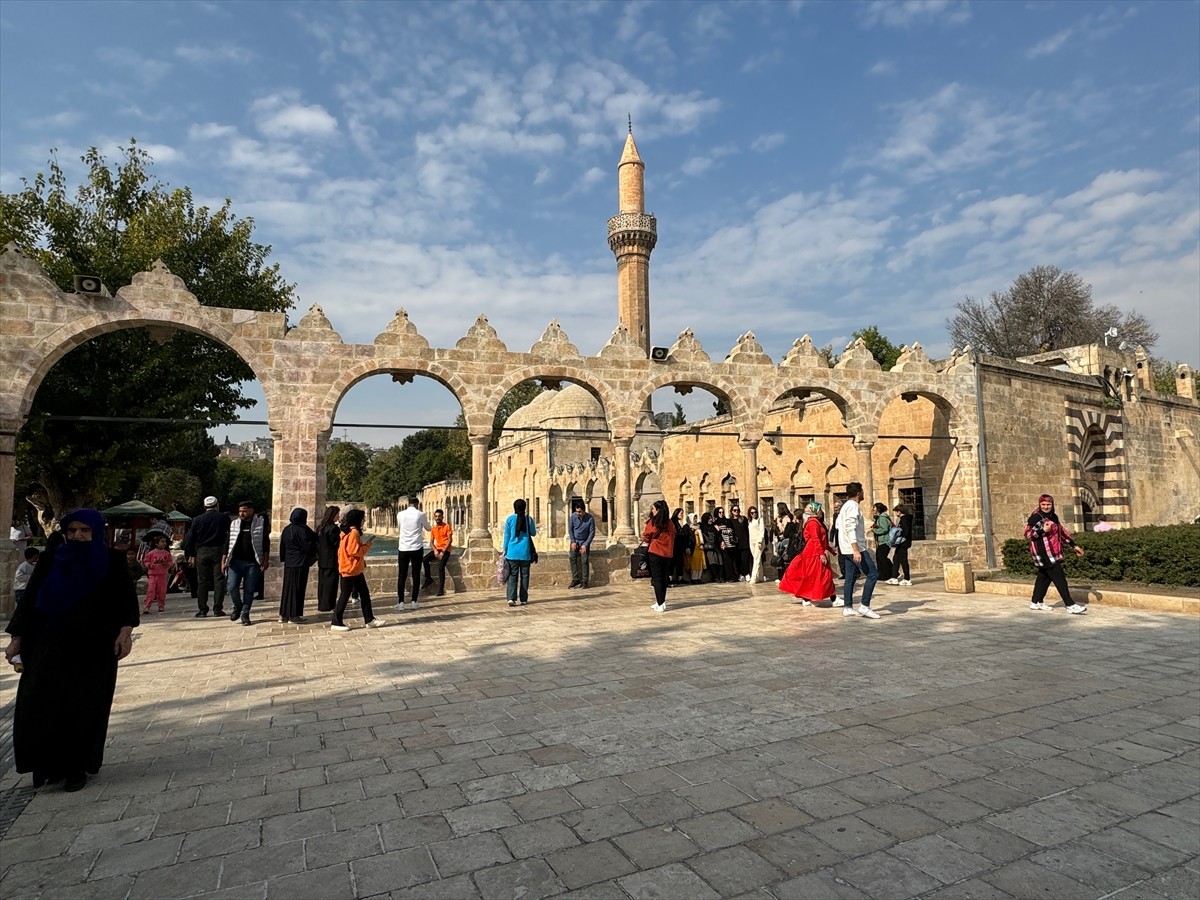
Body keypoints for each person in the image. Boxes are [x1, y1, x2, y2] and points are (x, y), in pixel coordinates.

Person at [4, 509, 138, 792]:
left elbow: (126, 600)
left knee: (85, 705)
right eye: (72, 531)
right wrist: (17, 637)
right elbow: (30, 599)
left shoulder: (111, 560)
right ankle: (47, 766)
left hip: (94, 647)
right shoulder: (52, 559)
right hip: (47, 643)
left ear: (95, 532)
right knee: (41, 703)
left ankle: (76, 766)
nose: (77, 536)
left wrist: (125, 633)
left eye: (84, 531)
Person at [1025, 494, 1087, 613]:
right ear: (1039, 504)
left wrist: (1073, 545)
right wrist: (1043, 530)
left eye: (1048, 504)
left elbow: (1061, 533)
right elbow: (1028, 535)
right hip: (1043, 552)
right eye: (1043, 504)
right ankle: (1070, 605)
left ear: (1052, 505)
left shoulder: (1053, 517)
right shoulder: (1036, 517)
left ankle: (1036, 602)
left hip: (1053, 552)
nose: (1046, 507)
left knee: (1044, 577)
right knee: (1059, 577)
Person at [331, 509, 385, 631]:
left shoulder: (346, 531)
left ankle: (369, 619)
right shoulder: (354, 532)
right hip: (351, 568)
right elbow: (354, 551)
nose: (364, 521)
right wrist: (368, 545)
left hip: (352, 568)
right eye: (363, 519)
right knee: (344, 596)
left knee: (364, 594)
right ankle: (336, 621)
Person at [779, 501, 836, 605]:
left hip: (815, 551)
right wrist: (821, 554)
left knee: (822, 575)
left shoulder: (815, 521)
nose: (820, 512)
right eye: (819, 510)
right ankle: (811, 597)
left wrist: (831, 550)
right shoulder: (813, 522)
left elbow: (821, 540)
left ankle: (817, 597)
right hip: (813, 553)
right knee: (818, 576)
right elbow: (815, 539)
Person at [222, 500, 269, 626]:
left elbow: (265, 542)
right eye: (240, 511)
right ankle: (238, 606)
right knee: (231, 586)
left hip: (252, 562)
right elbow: (228, 542)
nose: (242, 513)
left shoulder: (260, 523)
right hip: (235, 562)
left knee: (249, 590)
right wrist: (224, 559)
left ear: (251, 510)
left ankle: (245, 613)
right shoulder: (235, 524)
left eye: (244, 511)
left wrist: (265, 559)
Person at [838, 482, 880, 619]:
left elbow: (839, 525)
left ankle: (848, 607)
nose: (863, 494)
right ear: (858, 493)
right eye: (862, 491)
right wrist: (856, 549)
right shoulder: (853, 507)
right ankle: (865, 605)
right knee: (872, 574)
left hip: (846, 549)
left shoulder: (845, 506)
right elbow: (849, 527)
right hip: (855, 549)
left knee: (850, 578)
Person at [183, 496, 230, 618]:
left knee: (202, 581)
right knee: (219, 580)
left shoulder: (197, 520)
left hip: (202, 551)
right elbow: (229, 536)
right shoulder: (224, 518)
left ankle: (202, 609)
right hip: (219, 550)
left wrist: (191, 554)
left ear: (204, 506)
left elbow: (191, 538)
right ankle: (217, 609)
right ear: (217, 505)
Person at [279, 507, 317, 624]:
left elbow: (282, 546)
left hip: (289, 563)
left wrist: (283, 558)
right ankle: (294, 615)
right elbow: (308, 545)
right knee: (298, 589)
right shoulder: (302, 530)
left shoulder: (286, 529)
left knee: (287, 589)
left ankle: (284, 614)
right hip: (300, 562)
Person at [396, 497, 431, 610]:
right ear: (417, 504)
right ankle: (414, 601)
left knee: (402, 575)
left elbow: (400, 527)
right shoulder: (420, 514)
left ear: (408, 504)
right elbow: (428, 528)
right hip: (416, 547)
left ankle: (401, 602)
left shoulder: (400, 514)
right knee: (416, 575)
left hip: (403, 547)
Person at [501, 499, 537, 607]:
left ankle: (511, 598)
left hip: (512, 553)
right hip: (525, 553)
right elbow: (533, 533)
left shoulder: (510, 519)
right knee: (525, 576)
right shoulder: (528, 519)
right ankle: (523, 599)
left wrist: (504, 549)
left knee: (512, 575)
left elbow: (507, 536)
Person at [643, 500, 676, 613]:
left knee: (657, 578)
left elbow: (647, 536)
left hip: (656, 551)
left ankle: (661, 604)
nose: (652, 511)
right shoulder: (670, 523)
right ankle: (660, 601)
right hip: (667, 553)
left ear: (658, 510)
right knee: (663, 578)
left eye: (653, 509)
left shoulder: (653, 522)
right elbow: (673, 535)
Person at [422, 508, 453, 597]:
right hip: (437, 549)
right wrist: (435, 551)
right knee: (424, 560)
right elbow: (431, 542)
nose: (437, 518)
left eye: (439, 516)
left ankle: (441, 589)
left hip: (446, 550)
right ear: (434, 517)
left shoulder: (447, 526)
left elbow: (450, 540)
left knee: (440, 566)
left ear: (442, 517)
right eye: (436, 516)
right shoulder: (434, 528)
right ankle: (428, 578)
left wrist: (443, 551)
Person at [315, 506, 341, 613]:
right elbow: (336, 544)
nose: (338, 516)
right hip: (331, 559)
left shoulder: (320, 527)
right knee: (331, 583)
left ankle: (322, 603)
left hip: (322, 559)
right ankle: (328, 604)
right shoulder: (333, 529)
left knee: (322, 583)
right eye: (337, 514)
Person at [142, 534, 175, 614]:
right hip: (153, 575)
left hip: (162, 574)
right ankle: (147, 606)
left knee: (162, 591)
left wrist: (166, 564)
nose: (164, 543)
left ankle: (161, 605)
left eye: (165, 542)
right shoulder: (151, 553)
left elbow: (170, 562)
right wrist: (150, 565)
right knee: (151, 591)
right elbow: (146, 561)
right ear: (156, 543)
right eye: (162, 542)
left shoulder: (166, 554)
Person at [567, 499, 596, 589]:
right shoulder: (573, 517)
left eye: (579, 512)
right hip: (575, 541)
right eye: (577, 512)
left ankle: (584, 581)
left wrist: (586, 544)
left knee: (584, 560)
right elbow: (570, 529)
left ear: (584, 511)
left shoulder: (590, 518)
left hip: (584, 542)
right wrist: (573, 541)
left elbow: (592, 533)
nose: (578, 513)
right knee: (572, 558)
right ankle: (575, 579)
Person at [887, 503, 914, 586]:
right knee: (896, 559)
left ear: (899, 511)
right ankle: (894, 577)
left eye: (896, 512)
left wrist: (898, 533)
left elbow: (905, 531)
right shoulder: (903, 519)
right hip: (901, 543)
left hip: (903, 543)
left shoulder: (904, 519)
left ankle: (907, 579)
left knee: (903, 561)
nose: (896, 514)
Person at [871, 502, 894, 583]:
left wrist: (874, 530)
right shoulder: (878, 517)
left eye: (874, 508)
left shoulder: (882, 517)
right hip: (881, 541)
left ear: (878, 509)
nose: (873, 509)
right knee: (880, 558)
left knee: (882, 558)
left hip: (885, 541)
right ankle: (884, 574)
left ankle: (889, 574)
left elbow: (884, 529)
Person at [699, 512, 723, 583]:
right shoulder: (702, 527)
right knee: (712, 561)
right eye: (709, 518)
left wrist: (721, 540)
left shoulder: (714, 527)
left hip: (715, 547)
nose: (710, 520)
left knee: (720, 561)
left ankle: (721, 576)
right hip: (708, 547)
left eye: (711, 518)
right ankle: (716, 577)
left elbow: (718, 536)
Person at [729, 506, 751, 581]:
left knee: (745, 559)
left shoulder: (743, 519)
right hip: (736, 543)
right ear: (732, 511)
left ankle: (747, 573)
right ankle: (740, 574)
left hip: (744, 542)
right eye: (734, 510)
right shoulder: (730, 521)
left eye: (737, 510)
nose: (736, 511)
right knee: (738, 560)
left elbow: (748, 530)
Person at [670, 507, 690, 586]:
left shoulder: (678, 523)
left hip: (680, 546)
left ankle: (680, 578)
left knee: (680, 562)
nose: (682, 515)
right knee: (672, 562)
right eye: (681, 513)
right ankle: (670, 578)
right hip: (674, 546)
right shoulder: (672, 522)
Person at [746, 505, 766, 583]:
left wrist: (760, 541)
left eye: (755, 512)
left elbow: (762, 531)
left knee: (756, 559)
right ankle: (760, 576)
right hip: (752, 542)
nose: (754, 514)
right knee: (757, 559)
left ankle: (753, 578)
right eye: (752, 513)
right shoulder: (750, 521)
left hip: (758, 541)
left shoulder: (760, 520)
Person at [685, 513, 706, 585]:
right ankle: (694, 578)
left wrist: (702, 544)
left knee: (700, 564)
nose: (695, 520)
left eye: (696, 518)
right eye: (694, 518)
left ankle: (698, 578)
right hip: (694, 548)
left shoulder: (698, 527)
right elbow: (687, 538)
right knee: (694, 564)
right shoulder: (688, 527)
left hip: (700, 548)